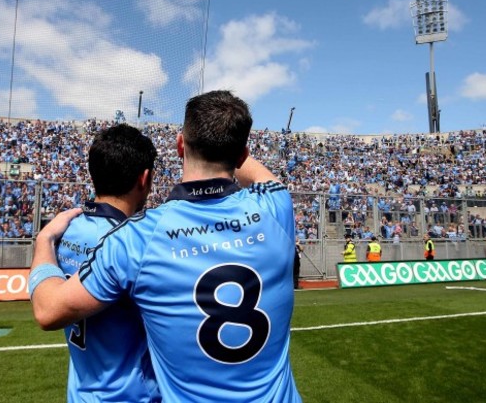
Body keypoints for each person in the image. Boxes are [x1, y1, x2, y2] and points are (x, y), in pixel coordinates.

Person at [30, 90, 302, 402]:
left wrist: (44, 242)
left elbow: (48, 311)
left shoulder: (136, 238)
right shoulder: (276, 207)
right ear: (241, 154)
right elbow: (255, 171)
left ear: (179, 146)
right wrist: (232, 144)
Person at [37, 124, 161, 403]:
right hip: (132, 396)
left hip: (81, 394)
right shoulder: (136, 243)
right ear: (145, 179)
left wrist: (43, 239)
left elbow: (45, 293)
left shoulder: (65, 230)